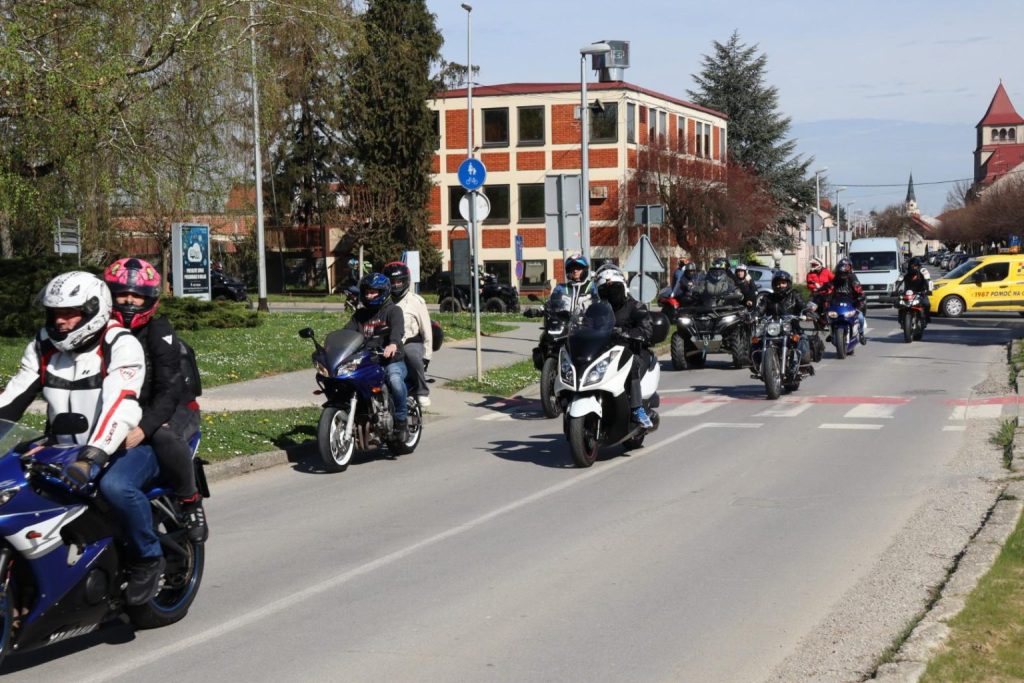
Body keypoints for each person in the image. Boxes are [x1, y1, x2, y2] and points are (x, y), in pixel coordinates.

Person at [0, 272, 165, 605]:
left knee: (115, 487)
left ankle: (148, 557)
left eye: (69, 313)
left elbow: (120, 406)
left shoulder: (120, 343)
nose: (60, 321)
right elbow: (13, 398)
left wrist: (93, 456)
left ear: (94, 310)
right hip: (64, 448)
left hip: (122, 444)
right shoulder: (43, 345)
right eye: (54, 313)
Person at [103, 258, 207, 543]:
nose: (129, 301)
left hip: (174, 408)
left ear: (149, 300)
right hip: (129, 408)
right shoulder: (102, 333)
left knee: (163, 435)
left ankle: (190, 500)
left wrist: (143, 429)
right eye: (122, 294)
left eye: (137, 295)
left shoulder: (159, 331)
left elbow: (169, 390)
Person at [344, 273, 408, 441]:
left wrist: (393, 344)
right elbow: (347, 333)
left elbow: (397, 330)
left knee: (395, 381)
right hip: (366, 360)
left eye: (373, 292)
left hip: (390, 360)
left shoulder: (393, 311)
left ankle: (401, 421)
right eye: (367, 292)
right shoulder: (360, 315)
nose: (369, 295)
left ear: (383, 292)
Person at [594, 266, 655, 429]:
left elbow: (647, 330)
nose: (610, 294)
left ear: (623, 287)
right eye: (605, 291)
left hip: (632, 350)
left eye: (614, 289)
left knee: (631, 363)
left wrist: (627, 333)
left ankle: (637, 408)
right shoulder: (597, 310)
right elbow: (585, 325)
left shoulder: (635, 306)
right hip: (605, 354)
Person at [383, 261, 432, 408]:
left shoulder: (416, 301)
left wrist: (427, 355)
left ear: (406, 281)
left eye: (399, 281)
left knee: (411, 355)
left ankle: (422, 391)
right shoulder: (383, 300)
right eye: (392, 282)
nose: (396, 285)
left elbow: (426, 329)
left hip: (410, 341)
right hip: (387, 341)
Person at [756, 270, 812, 369]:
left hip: (791, 326)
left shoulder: (794, 295)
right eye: (777, 283)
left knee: (802, 338)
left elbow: (802, 306)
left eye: (783, 283)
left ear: (788, 284)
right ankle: (757, 364)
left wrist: (807, 313)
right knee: (756, 341)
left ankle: (803, 365)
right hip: (773, 327)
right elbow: (760, 309)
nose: (780, 285)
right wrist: (753, 315)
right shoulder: (768, 297)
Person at [820, 257, 867, 344]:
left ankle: (861, 334)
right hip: (837, 303)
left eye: (844, 273)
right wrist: (823, 294)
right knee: (827, 315)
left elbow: (859, 289)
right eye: (840, 273)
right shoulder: (836, 279)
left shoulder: (853, 278)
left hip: (852, 303)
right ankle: (832, 332)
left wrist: (861, 296)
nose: (842, 275)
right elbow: (829, 288)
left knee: (860, 317)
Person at [898, 257, 932, 322]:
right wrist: (895, 290)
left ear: (918, 266)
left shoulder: (923, 270)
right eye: (912, 266)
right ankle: (901, 319)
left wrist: (928, 290)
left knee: (927, 304)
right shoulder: (906, 271)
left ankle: (926, 318)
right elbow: (899, 281)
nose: (913, 267)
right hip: (908, 292)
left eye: (915, 266)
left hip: (921, 292)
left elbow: (928, 280)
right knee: (899, 303)